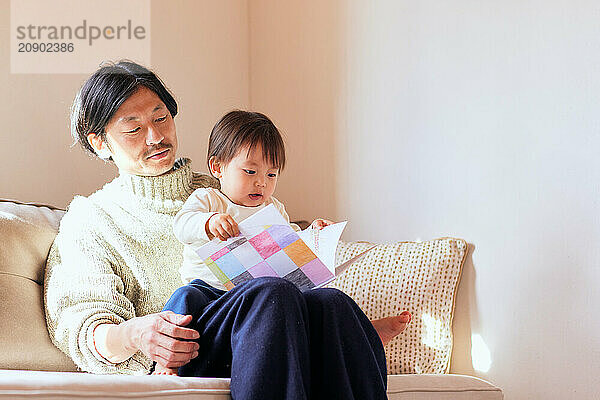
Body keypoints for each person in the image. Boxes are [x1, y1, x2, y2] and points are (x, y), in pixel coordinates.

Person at [44, 60, 411, 400]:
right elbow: (79, 327)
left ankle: (352, 337)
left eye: (161, 118)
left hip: (265, 326)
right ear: (100, 142)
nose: (155, 136)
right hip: (191, 343)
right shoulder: (91, 218)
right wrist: (139, 334)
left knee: (333, 305)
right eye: (134, 128)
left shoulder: (232, 187)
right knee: (270, 295)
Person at [153, 110, 336, 375]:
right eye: (250, 171)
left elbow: (292, 241)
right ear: (217, 167)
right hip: (212, 295)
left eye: (272, 175)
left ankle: (361, 334)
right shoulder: (209, 200)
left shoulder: (273, 207)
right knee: (185, 296)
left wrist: (315, 233)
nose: (261, 182)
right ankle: (165, 360)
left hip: (259, 300)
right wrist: (209, 222)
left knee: (313, 301)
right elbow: (181, 226)